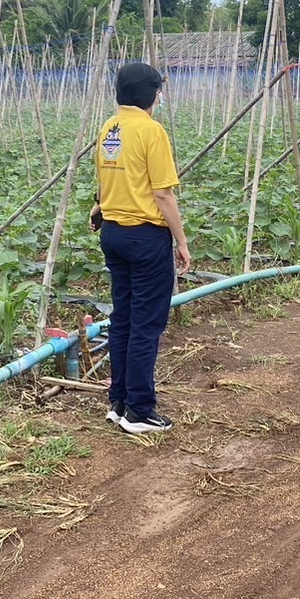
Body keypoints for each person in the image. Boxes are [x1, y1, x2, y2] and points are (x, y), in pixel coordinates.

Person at [90, 61, 191, 435]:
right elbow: (162, 193)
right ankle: (140, 411)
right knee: (147, 323)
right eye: (159, 91)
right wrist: (180, 241)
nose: (160, 98)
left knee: (124, 318)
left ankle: (118, 402)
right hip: (145, 236)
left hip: (113, 233)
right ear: (150, 94)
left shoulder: (108, 128)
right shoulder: (151, 131)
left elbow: (104, 181)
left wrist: (99, 207)